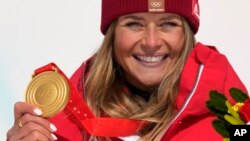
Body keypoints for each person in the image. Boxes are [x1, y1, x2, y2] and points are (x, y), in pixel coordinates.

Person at [6, 0, 248, 140]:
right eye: (133, 23)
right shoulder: (68, 118)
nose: (151, 42)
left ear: (187, 34)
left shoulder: (230, 120)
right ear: (112, 35)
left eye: (168, 24)